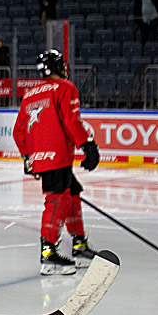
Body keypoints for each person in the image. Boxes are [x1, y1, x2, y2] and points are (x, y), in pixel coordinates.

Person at [12, 50, 100, 276]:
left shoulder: (30, 94)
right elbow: (72, 120)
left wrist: (28, 157)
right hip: (58, 154)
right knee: (56, 200)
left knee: (72, 193)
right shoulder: (65, 87)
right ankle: (48, 252)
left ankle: (79, 244)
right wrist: (87, 145)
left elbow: (18, 132)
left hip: (41, 157)